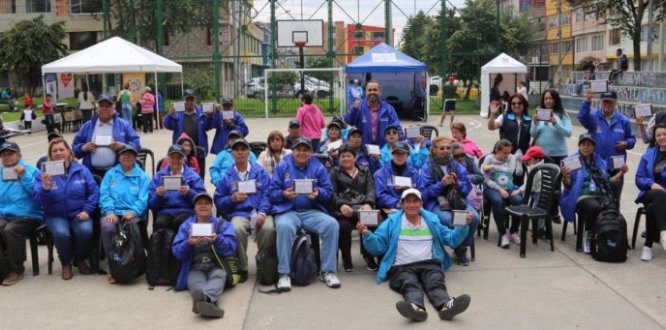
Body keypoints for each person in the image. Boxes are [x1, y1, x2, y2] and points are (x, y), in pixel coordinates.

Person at [358, 188, 472, 322]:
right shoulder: (391, 222)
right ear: (402, 204)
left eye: (415, 201)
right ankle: (416, 308)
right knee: (409, 284)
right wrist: (366, 234)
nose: (412, 205)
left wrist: (463, 226)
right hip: (402, 267)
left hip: (429, 264)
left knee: (435, 282)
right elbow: (377, 247)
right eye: (408, 202)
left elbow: (452, 240)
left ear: (421, 203)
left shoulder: (432, 220)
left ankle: (446, 306)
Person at [269, 137, 341, 291]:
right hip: (288, 210)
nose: (302, 153)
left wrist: (318, 193)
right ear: (293, 151)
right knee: (284, 227)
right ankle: (284, 273)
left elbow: (328, 191)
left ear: (311, 152)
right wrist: (283, 194)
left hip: (311, 211)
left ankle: (328, 271)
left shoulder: (318, 167)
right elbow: (271, 192)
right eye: (298, 149)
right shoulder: (283, 166)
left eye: (305, 150)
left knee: (332, 224)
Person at [34, 138, 99, 280]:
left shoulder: (82, 170)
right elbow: (38, 201)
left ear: (69, 151)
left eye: (61, 149)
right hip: (55, 215)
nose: (58, 153)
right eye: (54, 151)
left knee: (85, 230)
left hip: (79, 212)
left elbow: (94, 192)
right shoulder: (43, 174)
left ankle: (79, 259)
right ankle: (66, 263)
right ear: (50, 154)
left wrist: (87, 210)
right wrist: (45, 188)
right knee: (61, 233)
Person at [214, 139, 275, 283]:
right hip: (239, 214)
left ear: (249, 152)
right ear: (232, 154)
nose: (240, 152)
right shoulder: (227, 176)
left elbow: (268, 195)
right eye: (237, 149)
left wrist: (262, 212)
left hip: (259, 212)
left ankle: (263, 262)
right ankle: (242, 267)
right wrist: (232, 199)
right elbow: (218, 200)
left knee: (269, 228)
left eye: (243, 149)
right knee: (236, 228)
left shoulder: (260, 172)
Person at [172, 192, 237, 318]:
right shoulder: (186, 226)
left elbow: (231, 248)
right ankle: (209, 303)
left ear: (211, 207)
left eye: (206, 203)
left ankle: (204, 300)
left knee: (220, 276)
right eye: (199, 203)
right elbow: (177, 252)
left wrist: (218, 239)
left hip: (216, 267)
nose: (203, 206)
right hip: (195, 268)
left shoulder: (222, 224)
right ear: (194, 208)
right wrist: (188, 243)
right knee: (197, 288)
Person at [560, 133, 627, 254]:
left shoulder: (599, 161)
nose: (586, 147)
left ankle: (605, 235)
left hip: (600, 194)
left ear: (593, 147)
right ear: (579, 146)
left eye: (589, 145)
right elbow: (568, 185)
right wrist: (564, 176)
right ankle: (588, 235)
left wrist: (621, 173)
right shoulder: (572, 160)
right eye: (583, 144)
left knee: (612, 206)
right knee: (594, 207)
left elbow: (608, 181)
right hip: (581, 195)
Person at [420, 137, 479, 266]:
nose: (445, 151)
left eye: (448, 148)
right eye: (441, 148)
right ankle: (453, 247)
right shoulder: (427, 166)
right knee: (449, 219)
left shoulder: (456, 164)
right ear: (434, 150)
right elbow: (424, 193)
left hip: (456, 198)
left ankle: (461, 248)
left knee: (474, 217)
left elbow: (467, 185)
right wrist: (441, 184)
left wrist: (458, 184)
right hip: (436, 202)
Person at [99, 145, 150, 284]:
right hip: (112, 212)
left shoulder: (143, 177)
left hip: (133, 213)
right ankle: (114, 266)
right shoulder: (110, 174)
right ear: (119, 157)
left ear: (135, 158)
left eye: (130, 155)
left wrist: (133, 211)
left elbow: (143, 199)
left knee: (131, 229)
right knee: (107, 227)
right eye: (124, 155)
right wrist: (109, 211)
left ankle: (133, 263)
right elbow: (104, 194)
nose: (127, 157)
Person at [578, 90, 635, 202]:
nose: (607, 105)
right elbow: (582, 117)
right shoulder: (594, 117)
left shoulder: (624, 120)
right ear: (600, 102)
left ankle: (613, 219)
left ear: (615, 103)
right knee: (596, 200)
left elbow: (632, 139)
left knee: (614, 201)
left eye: (610, 102)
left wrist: (627, 143)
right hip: (596, 167)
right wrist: (587, 102)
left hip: (616, 168)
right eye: (605, 102)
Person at [0, 141, 43, 286]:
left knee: (11, 230)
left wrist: (24, 176)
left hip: (29, 215)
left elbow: (38, 194)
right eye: (4, 155)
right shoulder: (1, 173)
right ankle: (3, 269)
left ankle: (17, 269)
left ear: (19, 155)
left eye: (10, 153)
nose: (7, 157)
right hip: (4, 214)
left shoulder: (32, 171)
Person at [329, 143, 376, 272]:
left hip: (362, 208)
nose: (345, 159)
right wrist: (341, 205)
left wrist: (368, 204)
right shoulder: (334, 172)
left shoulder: (365, 170)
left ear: (355, 158)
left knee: (371, 223)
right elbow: (331, 193)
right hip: (344, 210)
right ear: (339, 158)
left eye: (348, 156)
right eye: (342, 156)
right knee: (344, 226)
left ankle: (368, 254)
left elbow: (370, 189)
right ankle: (346, 257)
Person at [72, 94, 141, 178]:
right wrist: (83, 148)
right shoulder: (87, 126)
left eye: (108, 106)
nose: (104, 108)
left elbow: (136, 145)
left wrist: (123, 147)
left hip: (117, 174)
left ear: (113, 108)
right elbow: (73, 150)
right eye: (101, 105)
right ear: (97, 108)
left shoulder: (124, 125)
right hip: (91, 174)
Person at [149, 144, 206, 232]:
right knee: (161, 223)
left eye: (179, 158)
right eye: (172, 157)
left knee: (179, 222)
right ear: (167, 159)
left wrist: (189, 193)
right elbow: (151, 205)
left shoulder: (193, 176)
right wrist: (158, 196)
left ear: (184, 159)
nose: (175, 160)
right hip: (165, 211)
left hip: (186, 210)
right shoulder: (159, 176)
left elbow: (202, 200)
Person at [482, 139, 524, 248]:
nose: (507, 155)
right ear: (497, 150)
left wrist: (493, 167)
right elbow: (485, 179)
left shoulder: (511, 158)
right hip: (491, 187)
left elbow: (509, 171)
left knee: (518, 200)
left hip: (508, 185)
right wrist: (499, 188)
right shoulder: (489, 158)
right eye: (504, 153)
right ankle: (503, 233)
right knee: (497, 200)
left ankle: (513, 231)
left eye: (509, 152)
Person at [164, 89, 215, 179]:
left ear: (194, 100)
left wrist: (209, 117)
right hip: (181, 150)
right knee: (181, 175)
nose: (189, 102)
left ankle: (199, 191)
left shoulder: (201, 111)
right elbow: (168, 125)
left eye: (191, 100)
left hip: (199, 149)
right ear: (184, 100)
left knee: (199, 176)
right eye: (187, 99)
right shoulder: (177, 112)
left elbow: (208, 126)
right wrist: (169, 116)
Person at [634, 124, 666, 261]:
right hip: (649, 193)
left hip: (660, 201)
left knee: (652, 208)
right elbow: (639, 178)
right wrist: (651, 184)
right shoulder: (648, 155)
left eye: (664, 134)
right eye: (658, 135)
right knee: (658, 194)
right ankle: (664, 234)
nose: (662, 137)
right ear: (655, 138)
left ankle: (648, 247)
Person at [343, 80, 403, 147]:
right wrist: (354, 109)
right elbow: (349, 121)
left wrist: (401, 141)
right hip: (364, 147)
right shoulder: (359, 107)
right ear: (366, 92)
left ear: (380, 92)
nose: (372, 92)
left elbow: (397, 126)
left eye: (375, 90)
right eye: (369, 90)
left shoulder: (388, 109)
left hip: (383, 148)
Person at [375, 141, 423, 212]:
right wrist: (397, 203)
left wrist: (410, 191)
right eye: (396, 153)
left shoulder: (414, 173)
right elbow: (380, 195)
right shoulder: (382, 173)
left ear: (407, 155)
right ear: (392, 154)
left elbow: (421, 192)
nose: (399, 156)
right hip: (389, 210)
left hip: (412, 209)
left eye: (402, 153)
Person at [531, 89, 572, 165]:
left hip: (559, 155)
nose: (548, 101)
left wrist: (556, 124)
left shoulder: (562, 114)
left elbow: (568, 133)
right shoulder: (538, 114)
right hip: (540, 155)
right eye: (545, 98)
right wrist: (535, 123)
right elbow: (533, 134)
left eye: (550, 98)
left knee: (558, 176)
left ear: (556, 99)